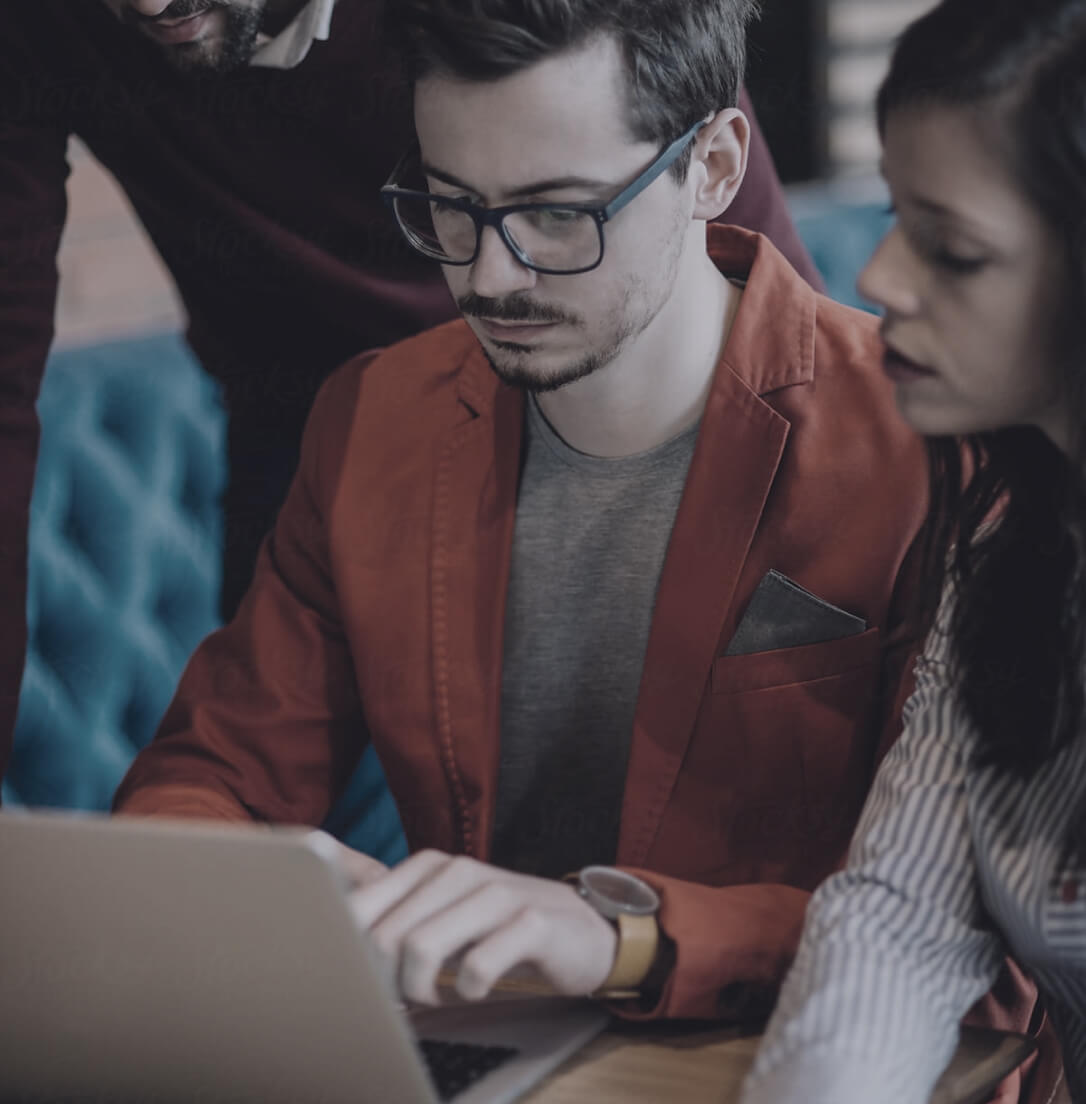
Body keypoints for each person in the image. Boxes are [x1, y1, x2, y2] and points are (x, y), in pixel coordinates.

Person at [115, 0, 940, 1026]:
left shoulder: (935, 449)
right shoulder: (375, 419)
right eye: (451, 204)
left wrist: (618, 941)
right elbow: (210, 776)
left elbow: (980, 941)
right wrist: (261, 883)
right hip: (503, 1050)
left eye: (558, 213)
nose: (488, 274)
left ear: (716, 167)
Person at [0, 0, 819, 786]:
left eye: (557, 211)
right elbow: (218, 783)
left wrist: (839, 466)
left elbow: (745, 262)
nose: (147, 5)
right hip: (312, 436)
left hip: (595, 402)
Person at [739, 1, 1086, 1101]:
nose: (881, 276)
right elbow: (899, 915)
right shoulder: (1013, 531)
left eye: (956, 250)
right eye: (895, 215)